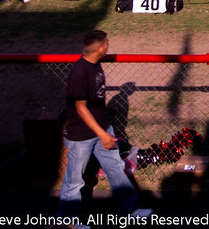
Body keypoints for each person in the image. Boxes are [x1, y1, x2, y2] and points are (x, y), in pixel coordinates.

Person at [58, 30, 148, 220]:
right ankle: (67, 220)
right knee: (74, 180)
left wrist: (105, 131)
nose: (109, 45)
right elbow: (81, 109)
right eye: (107, 43)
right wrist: (103, 134)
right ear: (100, 48)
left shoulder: (95, 64)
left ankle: (129, 209)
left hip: (101, 130)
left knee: (116, 167)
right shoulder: (79, 73)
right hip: (81, 135)